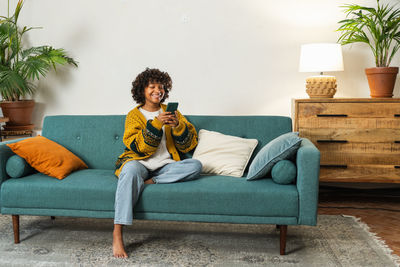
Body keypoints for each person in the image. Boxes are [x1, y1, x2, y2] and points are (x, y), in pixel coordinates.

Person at [113, 68, 202, 258]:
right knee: (129, 172)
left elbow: (189, 145)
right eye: (151, 86)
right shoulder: (133, 115)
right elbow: (138, 148)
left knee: (195, 166)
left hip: (165, 166)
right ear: (142, 90)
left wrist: (178, 126)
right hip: (140, 162)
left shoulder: (172, 112)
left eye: (161, 87)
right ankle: (117, 232)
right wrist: (156, 124)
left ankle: (152, 182)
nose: (157, 90)